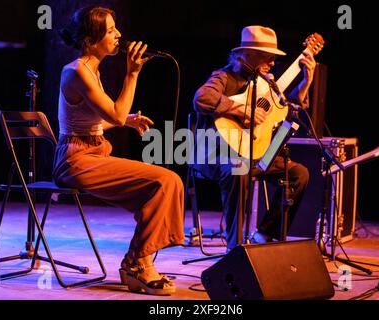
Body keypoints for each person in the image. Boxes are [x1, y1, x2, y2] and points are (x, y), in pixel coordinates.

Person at [53, 5, 184, 295]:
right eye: (111, 31)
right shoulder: (76, 71)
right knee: (166, 180)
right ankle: (138, 263)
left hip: (91, 151)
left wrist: (128, 119)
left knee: (163, 186)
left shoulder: (90, 71)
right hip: (76, 160)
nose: (119, 35)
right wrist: (132, 74)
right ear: (90, 40)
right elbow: (113, 115)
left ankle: (139, 262)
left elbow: (90, 122)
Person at [193, 25, 316, 251]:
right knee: (238, 169)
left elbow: (291, 108)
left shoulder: (267, 83)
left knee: (299, 174)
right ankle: (235, 247)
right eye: (266, 56)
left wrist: (305, 82)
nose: (271, 62)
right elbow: (202, 98)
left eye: (272, 58)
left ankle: (264, 234)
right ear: (245, 55)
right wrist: (239, 110)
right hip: (215, 154)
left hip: (254, 154)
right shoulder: (224, 76)